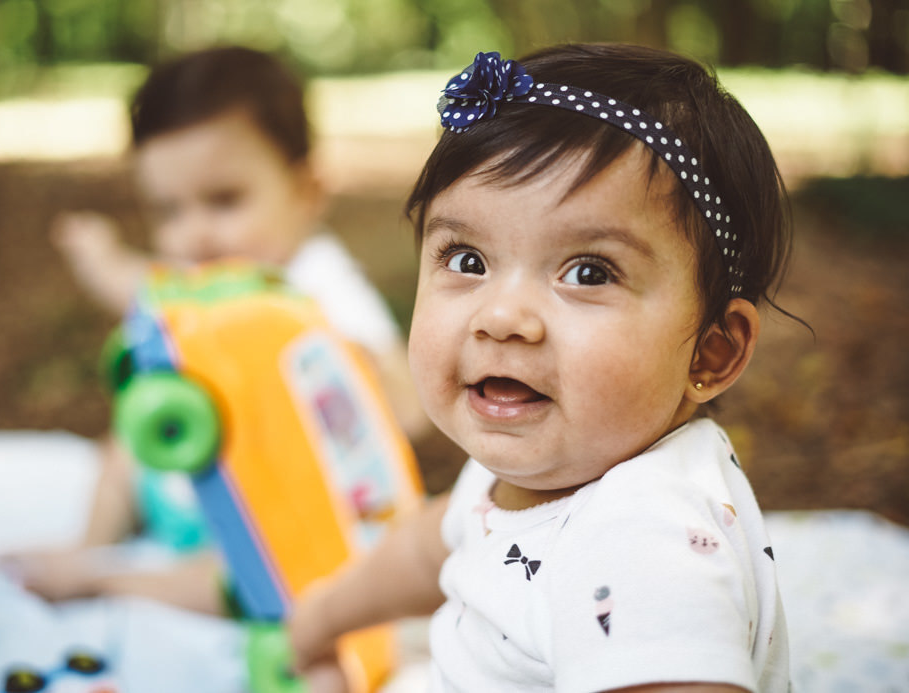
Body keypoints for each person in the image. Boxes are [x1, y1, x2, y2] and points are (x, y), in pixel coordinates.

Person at [289, 43, 795, 692]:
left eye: (587, 272)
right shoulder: (544, 465)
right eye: (467, 259)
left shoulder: (644, 547)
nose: (502, 316)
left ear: (711, 352)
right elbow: (429, 546)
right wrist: (319, 618)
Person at [1, 46, 427, 621]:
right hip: (185, 486)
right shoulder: (202, 283)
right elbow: (141, 288)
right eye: (169, 211)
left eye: (224, 201)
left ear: (307, 193)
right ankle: (90, 546)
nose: (194, 236)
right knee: (123, 444)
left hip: (270, 514)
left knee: (262, 580)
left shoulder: (315, 282)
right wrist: (99, 255)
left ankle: (109, 581)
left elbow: (408, 407)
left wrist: (354, 375)